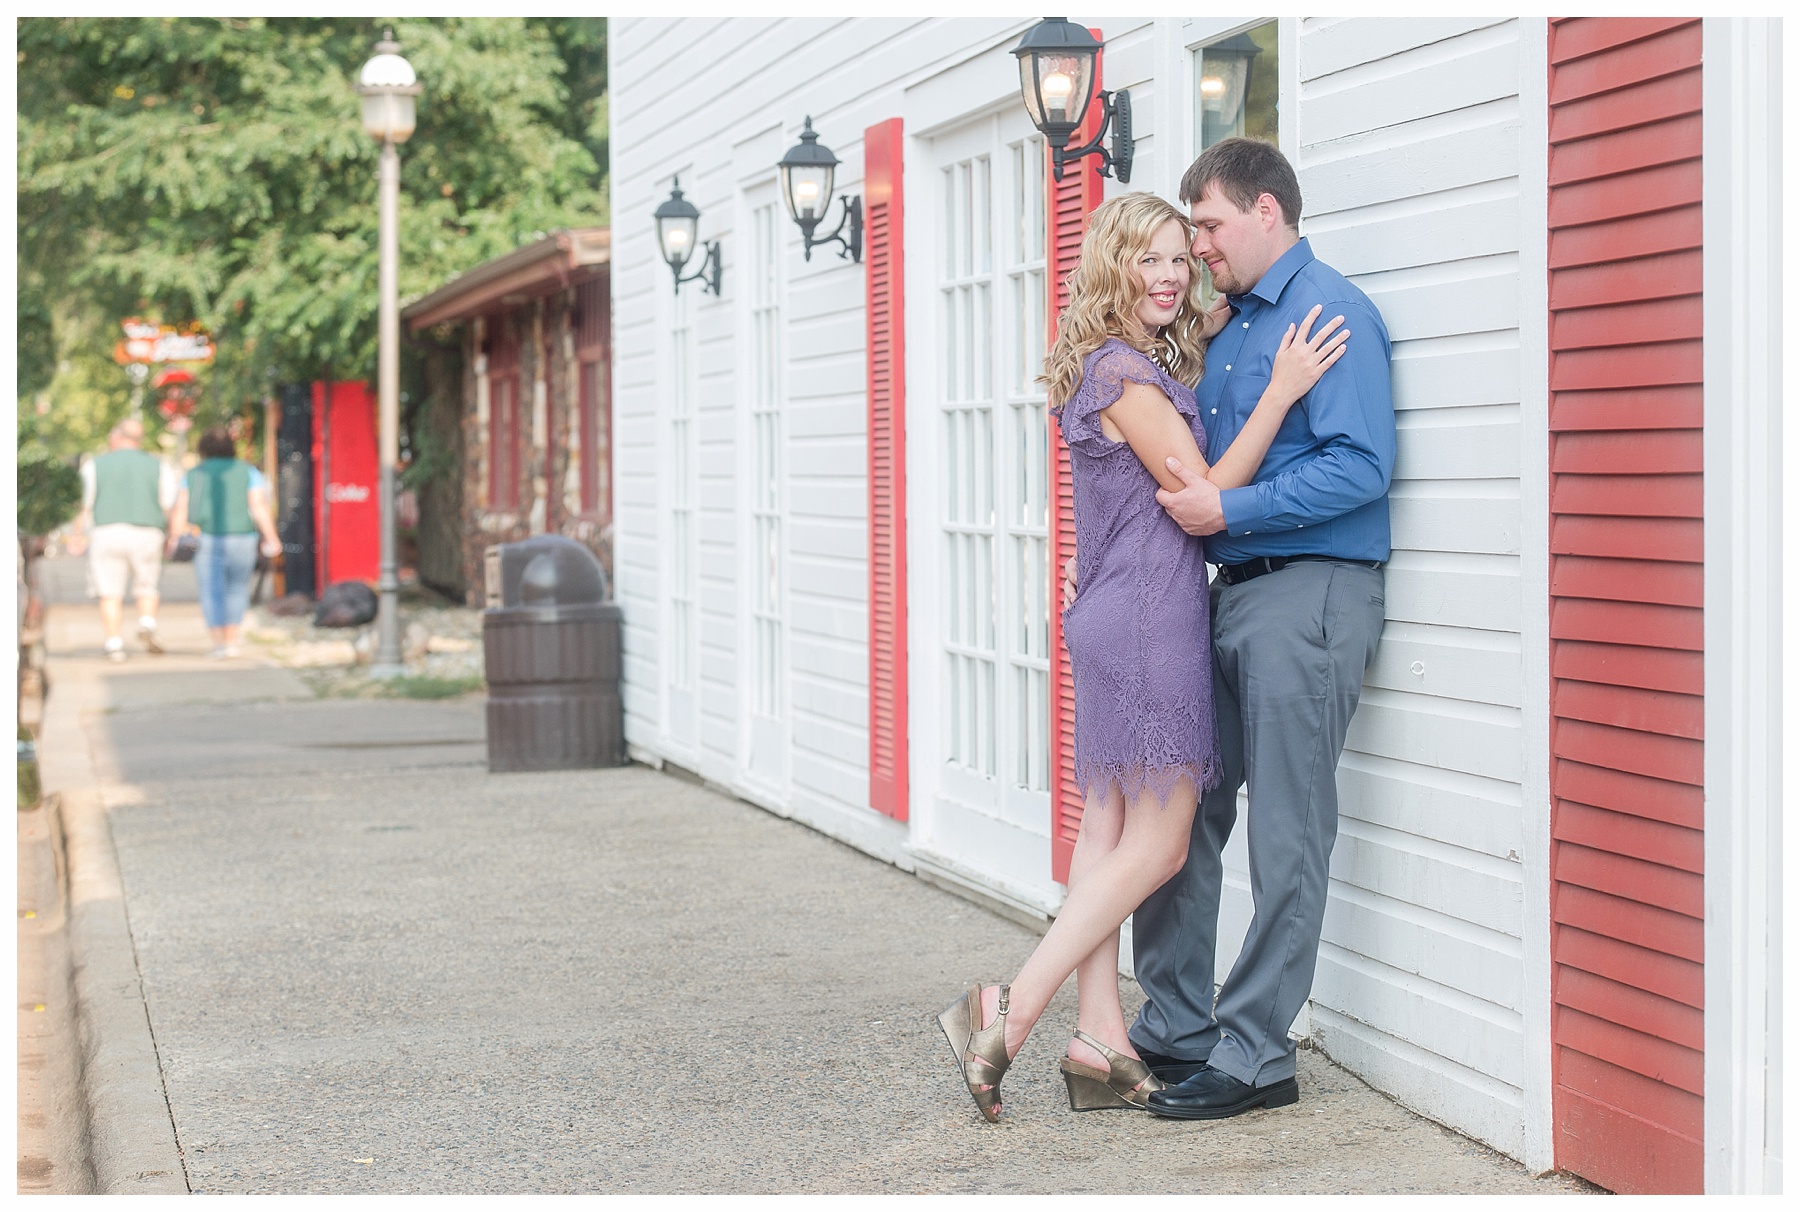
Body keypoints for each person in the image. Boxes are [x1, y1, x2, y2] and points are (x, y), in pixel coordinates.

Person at [938, 191, 1349, 1123]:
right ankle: (1009, 1006)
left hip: (1115, 609)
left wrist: (1218, 312)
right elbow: (1199, 492)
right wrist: (1281, 391)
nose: (1170, 274)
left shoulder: (1117, 359)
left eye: (1181, 257)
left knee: (1109, 835)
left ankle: (1099, 1040)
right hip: (1150, 622)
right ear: (1112, 265)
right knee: (1160, 845)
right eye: (1149, 259)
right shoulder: (1124, 373)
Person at [1127, 137, 1396, 1121]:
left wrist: (1229, 516)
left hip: (1310, 595)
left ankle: (1253, 1053)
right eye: (1191, 229)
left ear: (1267, 213)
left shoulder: (1330, 316)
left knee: (1288, 826)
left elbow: (1361, 467)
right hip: (1231, 594)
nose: (1197, 246)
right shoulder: (1231, 328)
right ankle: (1175, 1024)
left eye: (1208, 225)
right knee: (1186, 806)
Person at [67, 417, 180, 662]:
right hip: (147, 531)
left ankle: (114, 643)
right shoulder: (158, 465)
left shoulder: (94, 465)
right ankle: (147, 622)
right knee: (147, 584)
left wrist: (77, 535)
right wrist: (174, 534)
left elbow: (84, 505)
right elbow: (168, 504)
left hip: (106, 532)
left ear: (116, 437)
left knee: (109, 591)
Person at [167, 426, 282, 659]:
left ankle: (218, 642)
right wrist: (272, 537)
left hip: (205, 538)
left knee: (211, 590)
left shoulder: (194, 474)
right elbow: (259, 507)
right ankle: (232, 639)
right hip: (243, 538)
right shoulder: (247, 472)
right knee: (238, 588)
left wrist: (174, 536)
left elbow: (180, 507)